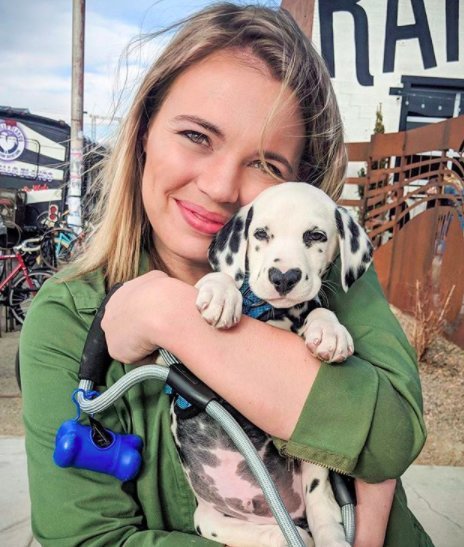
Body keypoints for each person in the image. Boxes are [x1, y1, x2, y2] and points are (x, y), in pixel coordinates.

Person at [20, 3, 433, 546]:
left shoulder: (326, 268)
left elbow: (393, 440)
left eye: (266, 164)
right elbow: (86, 540)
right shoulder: (68, 317)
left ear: (299, 181)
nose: (219, 187)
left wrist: (170, 315)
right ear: (143, 132)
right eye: (196, 135)